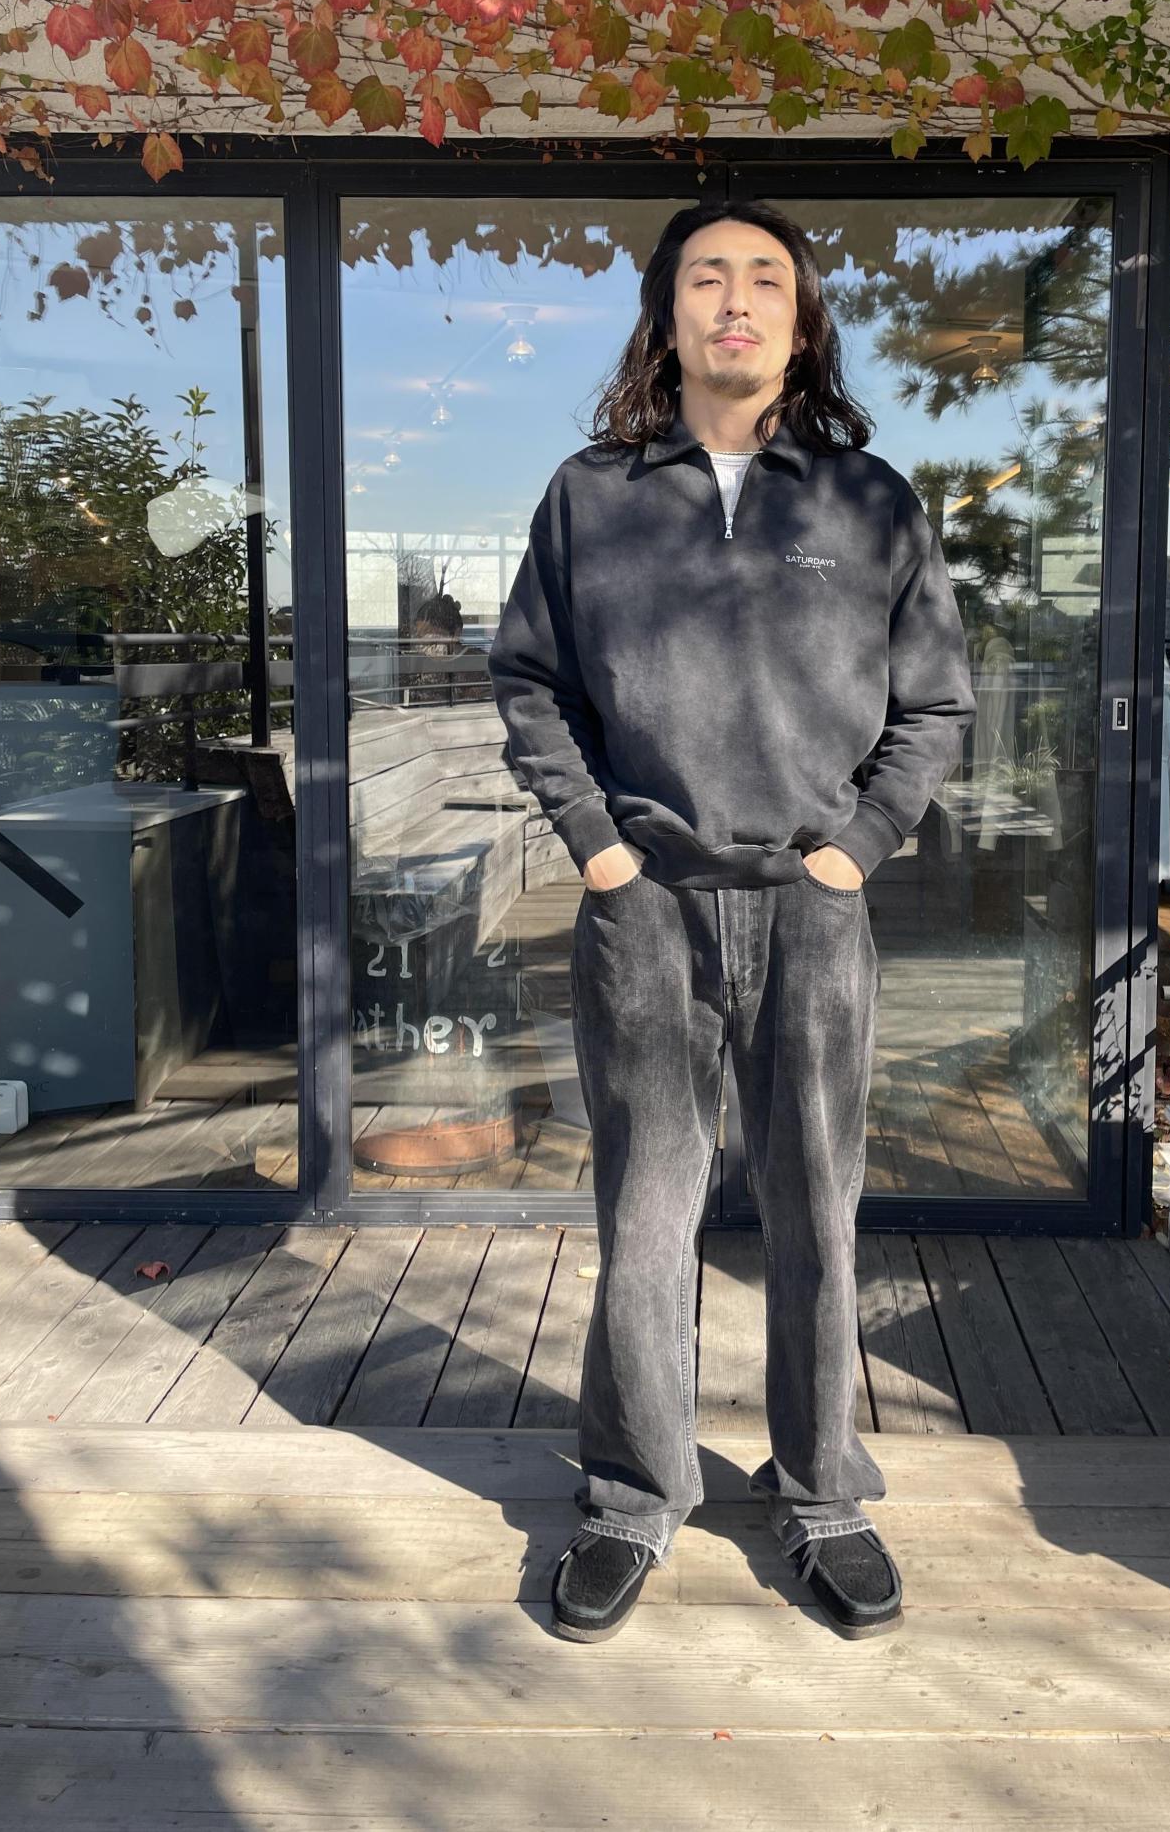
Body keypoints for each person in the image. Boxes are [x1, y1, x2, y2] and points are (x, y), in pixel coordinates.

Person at [488, 198, 975, 1644]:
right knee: (647, 1211)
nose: (738, 301)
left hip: (813, 908)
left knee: (818, 1205)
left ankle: (822, 1492)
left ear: (803, 319)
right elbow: (531, 686)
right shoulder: (590, 496)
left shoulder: (869, 500)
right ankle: (634, 1495)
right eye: (709, 277)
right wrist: (599, 853)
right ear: (669, 313)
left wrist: (858, 851)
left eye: (767, 278)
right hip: (646, 906)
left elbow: (936, 704)